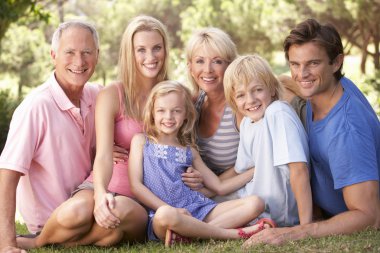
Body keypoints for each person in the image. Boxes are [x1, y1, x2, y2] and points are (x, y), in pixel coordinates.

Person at [16, 15, 170, 249]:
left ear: (165, 50)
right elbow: (104, 155)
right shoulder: (111, 94)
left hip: (139, 199)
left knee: (115, 219)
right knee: (76, 212)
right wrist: (99, 194)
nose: (150, 57)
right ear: (130, 53)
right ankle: (40, 241)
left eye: (157, 48)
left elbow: (184, 149)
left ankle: (41, 245)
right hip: (101, 184)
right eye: (141, 49)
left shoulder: (176, 96)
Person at [244, 19, 380, 247]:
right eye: (295, 64)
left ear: (336, 62)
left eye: (312, 64)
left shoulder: (346, 130)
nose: (302, 73)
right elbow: (289, 81)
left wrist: (299, 231)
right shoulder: (329, 88)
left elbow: (369, 216)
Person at [128, 80, 276, 247]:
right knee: (164, 214)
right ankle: (234, 234)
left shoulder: (189, 151)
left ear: (186, 114)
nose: (168, 117)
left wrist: (258, 168)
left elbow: (218, 186)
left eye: (176, 111)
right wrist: (173, 211)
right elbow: (136, 186)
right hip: (166, 216)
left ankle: (191, 235)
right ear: (152, 112)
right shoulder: (141, 142)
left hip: (198, 209)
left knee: (256, 203)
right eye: (161, 111)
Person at [0, 20, 101, 252]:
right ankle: (33, 240)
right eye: (70, 52)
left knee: (128, 221)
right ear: (53, 55)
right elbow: (6, 176)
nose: (79, 61)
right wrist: (6, 245)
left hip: (90, 210)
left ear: (97, 55)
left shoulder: (97, 96)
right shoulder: (36, 107)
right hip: (51, 223)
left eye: (87, 52)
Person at [223, 54, 312, 227]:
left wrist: (305, 226)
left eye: (257, 90)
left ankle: (190, 229)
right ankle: (185, 227)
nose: (250, 100)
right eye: (241, 95)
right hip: (252, 200)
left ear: (271, 89)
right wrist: (209, 186)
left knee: (211, 210)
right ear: (233, 100)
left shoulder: (277, 113)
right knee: (207, 203)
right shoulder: (249, 123)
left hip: (276, 213)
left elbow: (299, 170)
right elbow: (243, 171)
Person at [182, 27, 242, 201]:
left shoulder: (240, 107)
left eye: (217, 61)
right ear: (190, 67)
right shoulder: (193, 103)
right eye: (200, 61)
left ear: (230, 65)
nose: (207, 70)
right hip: (207, 192)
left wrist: (210, 190)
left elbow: (251, 163)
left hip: (239, 191)